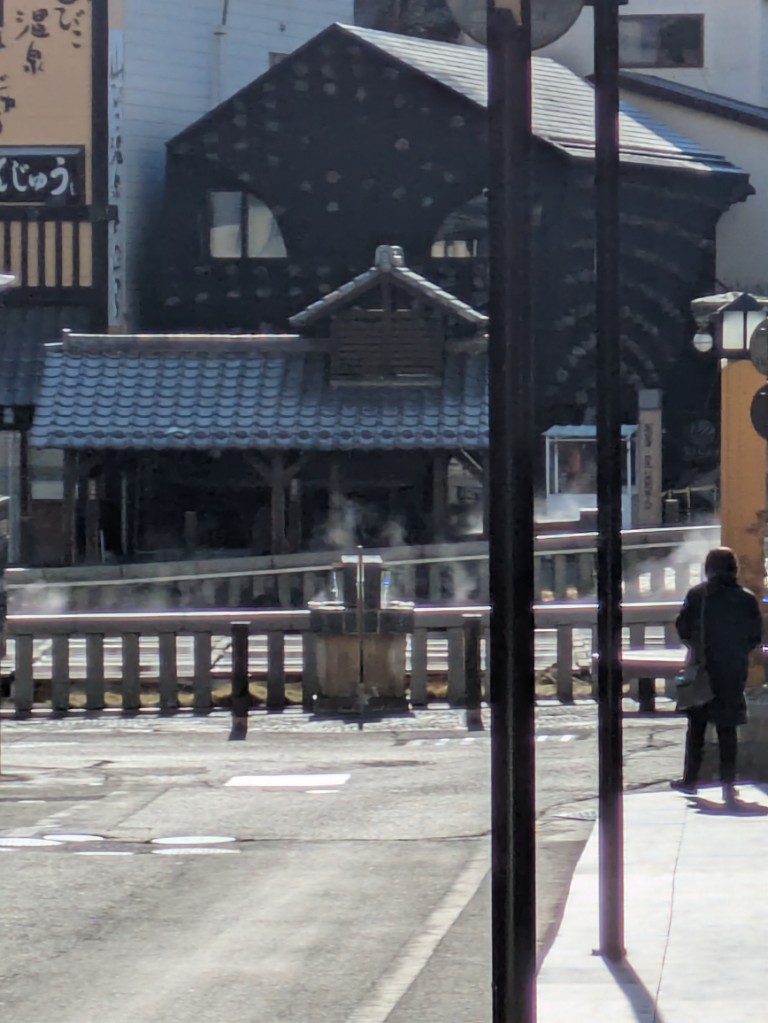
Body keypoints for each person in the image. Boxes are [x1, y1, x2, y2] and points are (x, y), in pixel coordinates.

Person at [671, 547, 763, 805]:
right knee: (727, 729)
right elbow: (755, 636)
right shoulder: (746, 599)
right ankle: (728, 784)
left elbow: (683, 628)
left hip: (704, 668)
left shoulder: (697, 595)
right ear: (735, 569)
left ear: (708, 568)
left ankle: (690, 779)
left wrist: (697, 648)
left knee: (696, 726)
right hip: (732, 671)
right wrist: (736, 653)